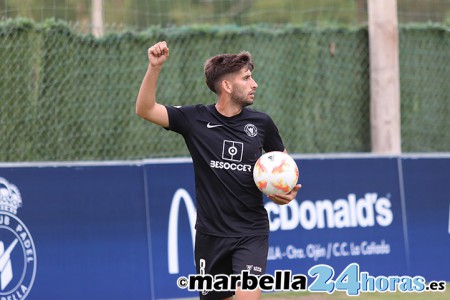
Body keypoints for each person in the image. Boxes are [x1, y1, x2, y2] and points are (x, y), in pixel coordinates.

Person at [136, 41, 301, 300]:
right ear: (226, 85)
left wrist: (284, 191)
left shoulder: (262, 123)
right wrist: (154, 68)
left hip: (251, 232)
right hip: (210, 236)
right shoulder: (195, 119)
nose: (254, 83)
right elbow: (145, 109)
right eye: (246, 78)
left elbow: (284, 167)